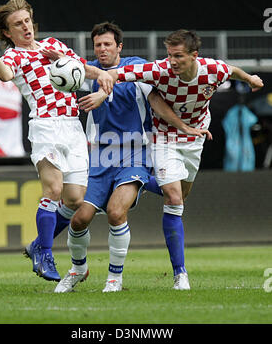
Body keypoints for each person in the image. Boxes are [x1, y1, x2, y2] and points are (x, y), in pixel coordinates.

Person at [54, 23, 212, 293]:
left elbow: (151, 97)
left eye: (108, 44)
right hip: (99, 157)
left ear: (119, 47)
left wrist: (185, 127)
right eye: (98, 45)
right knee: (79, 219)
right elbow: (65, 70)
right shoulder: (88, 70)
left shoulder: (135, 66)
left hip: (133, 154)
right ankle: (78, 269)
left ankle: (115, 279)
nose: (102, 49)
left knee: (117, 212)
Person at [106, 29, 264, 290]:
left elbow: (232, 70)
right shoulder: (159, 71)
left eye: (178, 56)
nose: (172, 62)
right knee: (174, 198)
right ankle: (180, 274)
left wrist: (250, 79)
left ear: (194, 56)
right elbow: (115, 74)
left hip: (196, 139)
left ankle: (143, 180)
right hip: (164, 137)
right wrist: (103, 89)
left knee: (182, 194)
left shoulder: (212, 69)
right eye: (169, 55)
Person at [0, 0, 113, 282]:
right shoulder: (14, 56)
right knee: (53, 189)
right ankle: (45, 255)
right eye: (17, 24)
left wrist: (100, 72)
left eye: (26, 21)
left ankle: (38, 243)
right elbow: (4, 75)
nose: (25, 27)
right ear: (7, 33)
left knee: (75, 199)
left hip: (73, 126)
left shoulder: (54, 45)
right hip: (46, 127)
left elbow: (79, 67)